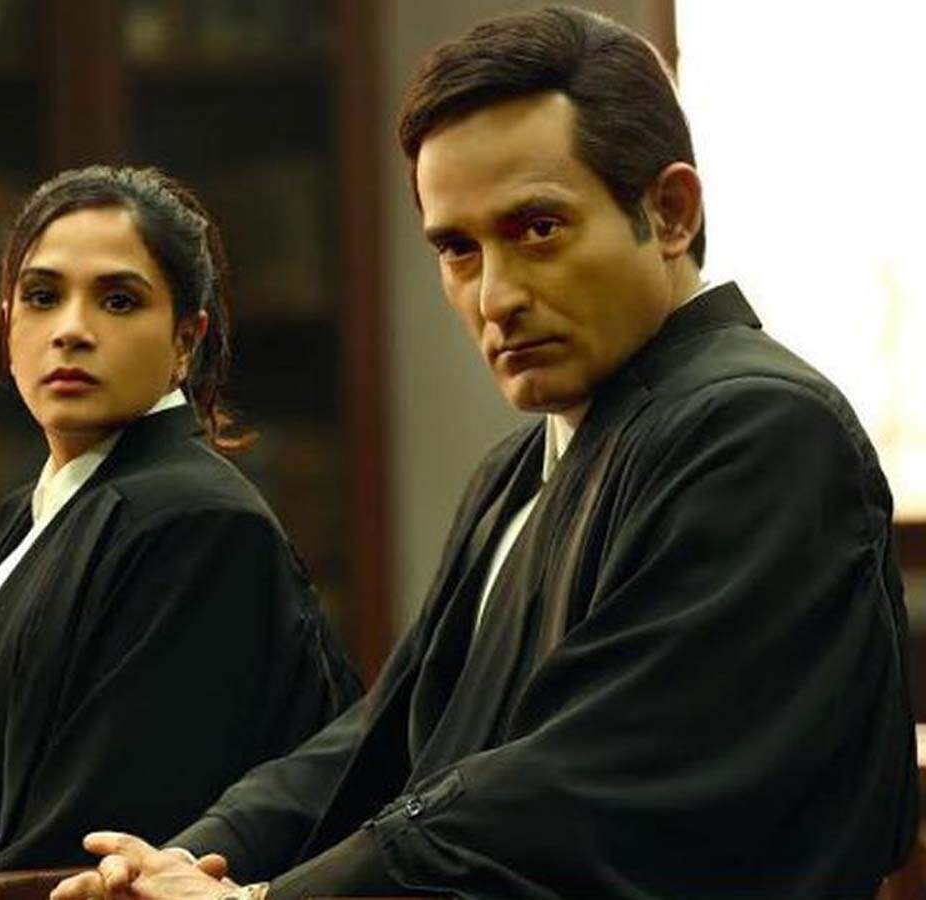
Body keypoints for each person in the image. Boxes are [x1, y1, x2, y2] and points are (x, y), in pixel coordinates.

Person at [54, 8, 918, 899]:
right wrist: (184, 860)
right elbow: (382, 741)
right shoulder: (519, 467)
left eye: (538, 229)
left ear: (668, 212)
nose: (496, 296)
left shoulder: (762, 428)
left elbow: (578, 788)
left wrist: (267, 899)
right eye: (458, 249)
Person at [0, 165, 362, 898]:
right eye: (43, 296)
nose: (71, 331)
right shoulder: (32, 512)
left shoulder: (200, 524)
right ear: (7, 321)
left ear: (185, 339)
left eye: (118, 300)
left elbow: (97, 839)